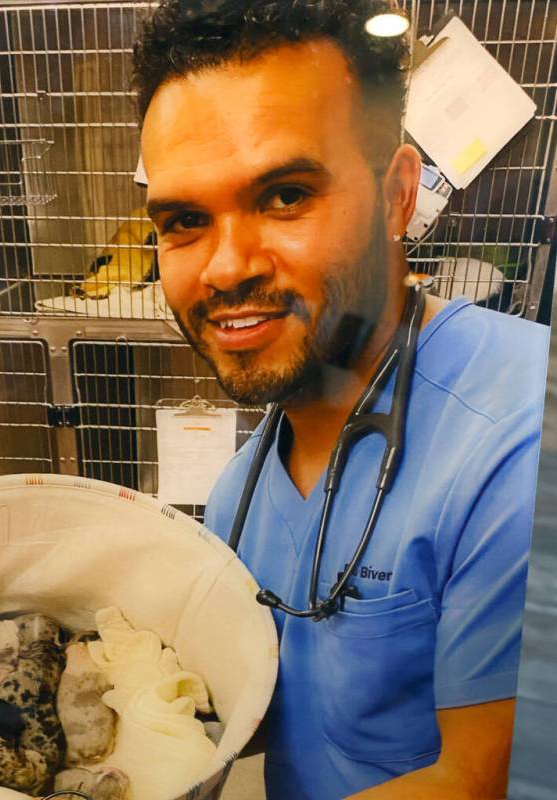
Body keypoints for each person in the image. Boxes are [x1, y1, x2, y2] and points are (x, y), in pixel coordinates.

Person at [132, 1, 550, 798]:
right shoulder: (238, 499)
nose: (225, 269)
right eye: (185, 219)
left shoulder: (520, 436)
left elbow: (479, 781)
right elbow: (246, 719)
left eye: (285, 196)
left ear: (398, 195)